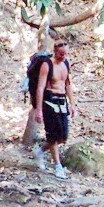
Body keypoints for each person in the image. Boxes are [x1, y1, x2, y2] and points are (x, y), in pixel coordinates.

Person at [34, 39, 76, 179]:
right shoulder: (47, 65)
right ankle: (58, 166)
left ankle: (40, 151)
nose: (63, 57)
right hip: (49, 100)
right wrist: (38, 110)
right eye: (61, 54)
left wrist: (72, 103)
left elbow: (68, 84)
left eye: (65, 54)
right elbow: (40, 88)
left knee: (63, 137)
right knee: (53, 136)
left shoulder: (66, 63)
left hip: (62, 100)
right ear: (55, 51)